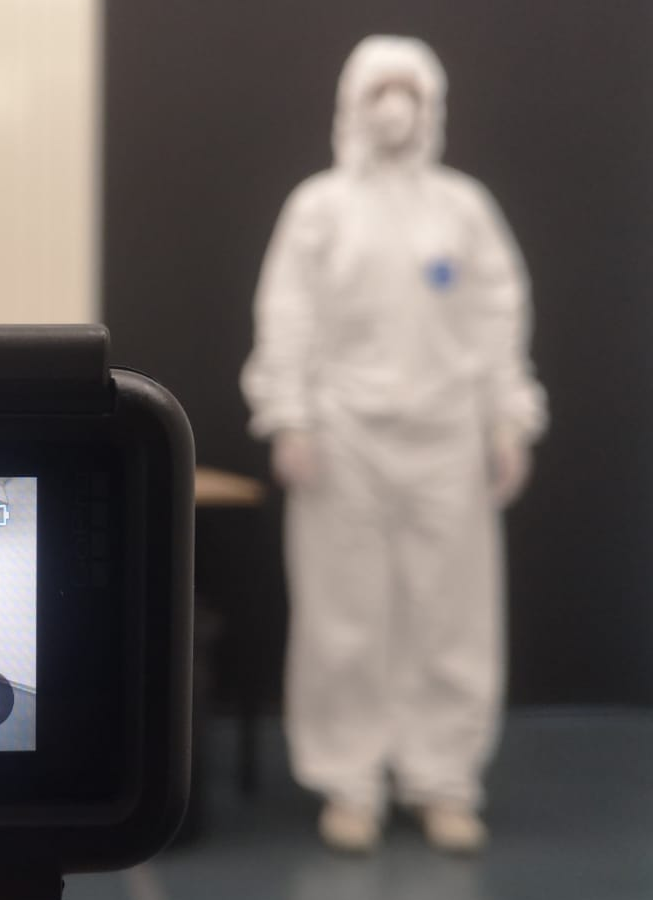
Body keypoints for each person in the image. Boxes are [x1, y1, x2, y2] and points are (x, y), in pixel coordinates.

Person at [240, 35, 546, 854]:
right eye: (380, 89)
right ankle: (351, 781)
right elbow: (287, 315)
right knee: (344, 615)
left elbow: (497, 318)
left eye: (409, 89)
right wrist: (289, 416)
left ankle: (442, 779)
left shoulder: (464, 209)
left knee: (451, 616)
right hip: (345, 435)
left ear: (433, 103)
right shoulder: (319, 207)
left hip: (448, 439)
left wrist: (508, 418)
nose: (395, 107)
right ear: (352, 100)